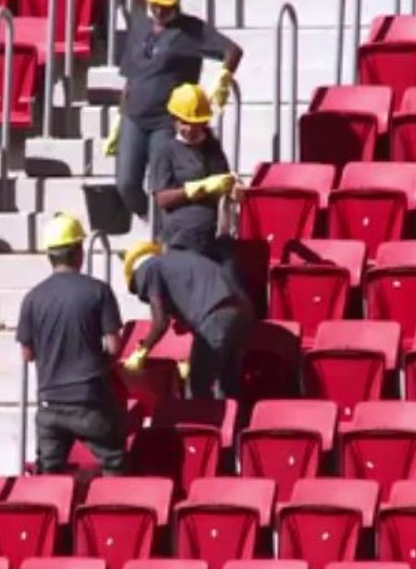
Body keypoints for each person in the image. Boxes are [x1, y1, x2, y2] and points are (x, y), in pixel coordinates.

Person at [107, 0, 243, 221]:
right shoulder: (139, 28)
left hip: (167, 121)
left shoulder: (192, 30)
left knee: (162, 185)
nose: (159, 10)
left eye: (165, 4)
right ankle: (151, 223)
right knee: (126, 183)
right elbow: (131, 78)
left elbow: (232, 51)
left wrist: (223, 77)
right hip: (135, 117)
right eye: (154, 4)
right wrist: (119, 115)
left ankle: (162, 236)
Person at [16, 214, 127, 475]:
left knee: (48, 476)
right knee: (114, 464)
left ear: (49, 256)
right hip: (90, 401)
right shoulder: (98, 291)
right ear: (79, 252)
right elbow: (114, 347)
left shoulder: (32, 298)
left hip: (50, 405)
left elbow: (27, 353)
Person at [120, 241, 253, 400]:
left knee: (197, 385)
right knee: (227, 383)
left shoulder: (148, 269)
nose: (146, 299)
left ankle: (199, 424)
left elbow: (160, 323)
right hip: (243, 311)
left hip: (217, 315)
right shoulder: (175, 262)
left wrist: (141, 351)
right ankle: (231, 422)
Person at [151, 83, 238, 260]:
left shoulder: (212, 147)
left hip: (211, 238)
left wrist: (232, 187)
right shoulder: (166, 150)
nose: (190, 129)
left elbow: (225, 180)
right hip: (180, 238)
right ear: (174, 120)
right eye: (185, 123)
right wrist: (194, 189)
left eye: (196, 124)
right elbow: (162, 198)